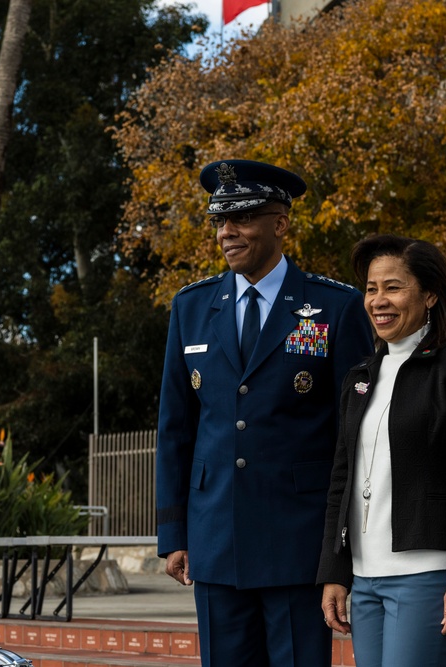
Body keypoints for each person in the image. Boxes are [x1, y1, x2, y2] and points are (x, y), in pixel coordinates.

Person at [155, 158, 374, 667]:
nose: (227, 232)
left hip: (296, 544)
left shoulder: (333, 307)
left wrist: (341, 549)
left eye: (242, 219)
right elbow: (175, 429)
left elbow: (355, 433)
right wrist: (174, 534)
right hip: (214, 540)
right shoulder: (192, 307)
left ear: (280, 223)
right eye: (219, 221)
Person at [317, 234, 446, 667]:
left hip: (427, 575)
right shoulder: (360, 375)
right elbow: (342, 478)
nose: (378, 301)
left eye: (393, 287)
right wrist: (334, 573)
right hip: (364, 576)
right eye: (371, 289)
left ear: (429, 294)